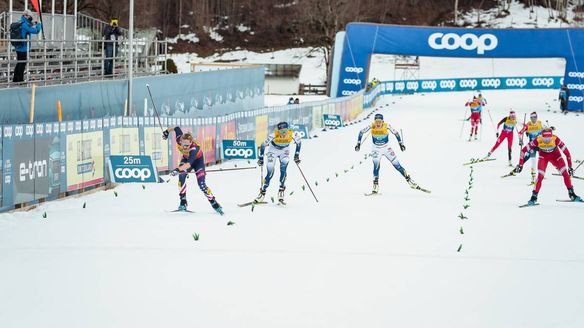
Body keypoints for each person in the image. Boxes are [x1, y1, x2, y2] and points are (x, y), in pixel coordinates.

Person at [162, 126, 223, 214]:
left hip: (197, 162)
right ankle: (183, 201)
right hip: (186, 159)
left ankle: (214, 203)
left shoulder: (194, 148)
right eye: (183, 145)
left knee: (201, 184)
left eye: (187, 145)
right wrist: (166, 132)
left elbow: (188, 165)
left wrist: (177, 169)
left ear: (191, 142)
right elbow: (176, 128)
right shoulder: (179, 139)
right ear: (180, 141)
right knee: (181, 176)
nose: (185, 147)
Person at [514, 128, 581, 205]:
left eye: (548, 138)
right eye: (544, 138)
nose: (546, 140)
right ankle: (533, 197)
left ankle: (572, 194)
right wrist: (520, 164)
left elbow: (567, 153)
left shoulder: (555, 139)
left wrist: (570, 167)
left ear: (551, 136)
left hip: (556, 156)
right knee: (540, 177)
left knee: (565, 174)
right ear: (541, 136)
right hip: (543, 157)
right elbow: (523, 151)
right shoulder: (538, 139)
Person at [355, 113, 416, 194]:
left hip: (386, 148)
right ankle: (375, 185)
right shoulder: (371, 126)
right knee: (376, 166)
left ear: (382, 122)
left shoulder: (387, 126)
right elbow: (361, 132)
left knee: (397, 165)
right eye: (376, 121)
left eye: (379, 122)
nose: (378, 124)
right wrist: (358, 144)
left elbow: (396, 133)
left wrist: (401, 144)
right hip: (375, 149)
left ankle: (409, 180)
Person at [256, 122, 302, 204]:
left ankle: (281, 190)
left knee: (283, 169)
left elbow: (299, 143)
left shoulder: (292, 134)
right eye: (281, 131)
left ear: (288, 130)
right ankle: (262, 192)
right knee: (270, 171)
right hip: (273, 150)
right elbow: (263, 145)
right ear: (278, 131)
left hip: (285, 151)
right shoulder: (273, 135)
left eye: (285, 131)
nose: (283, 133)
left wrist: (296, 156)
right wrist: (261, 158)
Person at [12, 10, 42, 83]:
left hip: (18, 46)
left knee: (19, 63)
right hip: (23, 47)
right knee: (22, 63)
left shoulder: (21, 22)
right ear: (26, 16)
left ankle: (15, 79)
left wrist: (33, 23)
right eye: (30, 17)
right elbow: (35, 31)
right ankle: (20, 80)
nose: (30, 18)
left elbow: (28, 26)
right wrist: (39, 25)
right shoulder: (24, 24)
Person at [518, 111, 543, 183]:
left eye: (535, 117)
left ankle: (558, 169)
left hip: (541, 144)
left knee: (545, 158)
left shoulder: (540, 123)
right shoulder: (528, 125)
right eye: (532, 117)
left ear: (537, 117)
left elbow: (547, 129)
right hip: (532, 145)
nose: (533, 119)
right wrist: (520, 140)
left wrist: (551, 128)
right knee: (533, 160)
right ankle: (533, 176)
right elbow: (520, 133)